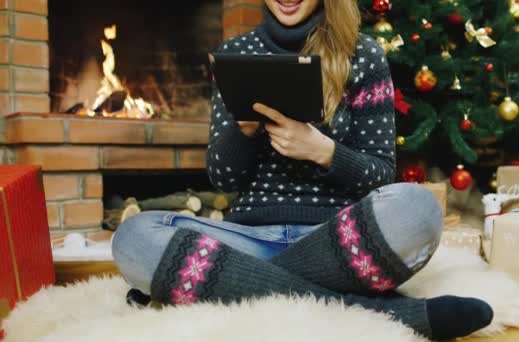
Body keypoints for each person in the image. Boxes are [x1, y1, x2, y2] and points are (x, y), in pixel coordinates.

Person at [112, 0, 493, 339]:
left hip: (338, 241)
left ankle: (225, 284)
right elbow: (224, 179)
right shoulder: (236, 54)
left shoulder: (363, 54)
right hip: (247, 241)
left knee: (418, 209)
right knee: (133, 237)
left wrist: (324, 151)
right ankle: (380, 312)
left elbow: (381, 174)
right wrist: (242, 132)